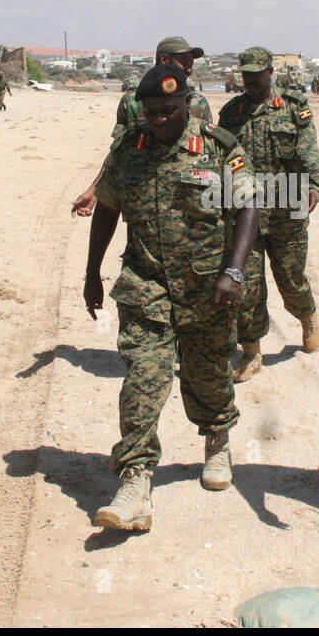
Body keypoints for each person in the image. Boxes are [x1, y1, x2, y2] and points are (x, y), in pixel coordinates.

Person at [84, 63, 259, 531]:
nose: (160, 120)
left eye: (170, 110)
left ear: (187, 104)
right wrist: (92, 273)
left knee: (208, 376)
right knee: (143, 377)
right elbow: (107, 209)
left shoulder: (219, 148)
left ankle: (218, 439)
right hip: (146, 287)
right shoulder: (128, 149)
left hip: (207, 288)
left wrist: (234, 270)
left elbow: (247, 208)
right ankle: (135, 479)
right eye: (152, 112)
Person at [218, 47, 319, 381]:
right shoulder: (231, 113)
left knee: (291, 279)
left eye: (256, 75)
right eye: (246, 75)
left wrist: (314, 189)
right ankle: (251, 352)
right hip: (245, 213)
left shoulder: (294, 109)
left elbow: (309, 156)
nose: (250, 81)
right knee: (246, 285)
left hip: (287, 209)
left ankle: (307, 315)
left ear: (270, 73)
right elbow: (222, 160)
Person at [70, 36, 213, 216]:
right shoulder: (132, 102)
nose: (190, 69)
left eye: (191, 64)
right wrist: (95, 191)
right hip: (143, 194)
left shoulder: (198, 103)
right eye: (184, 62)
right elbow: (117, 154)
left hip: (186, 196)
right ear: (164, 60)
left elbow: (210, 154)